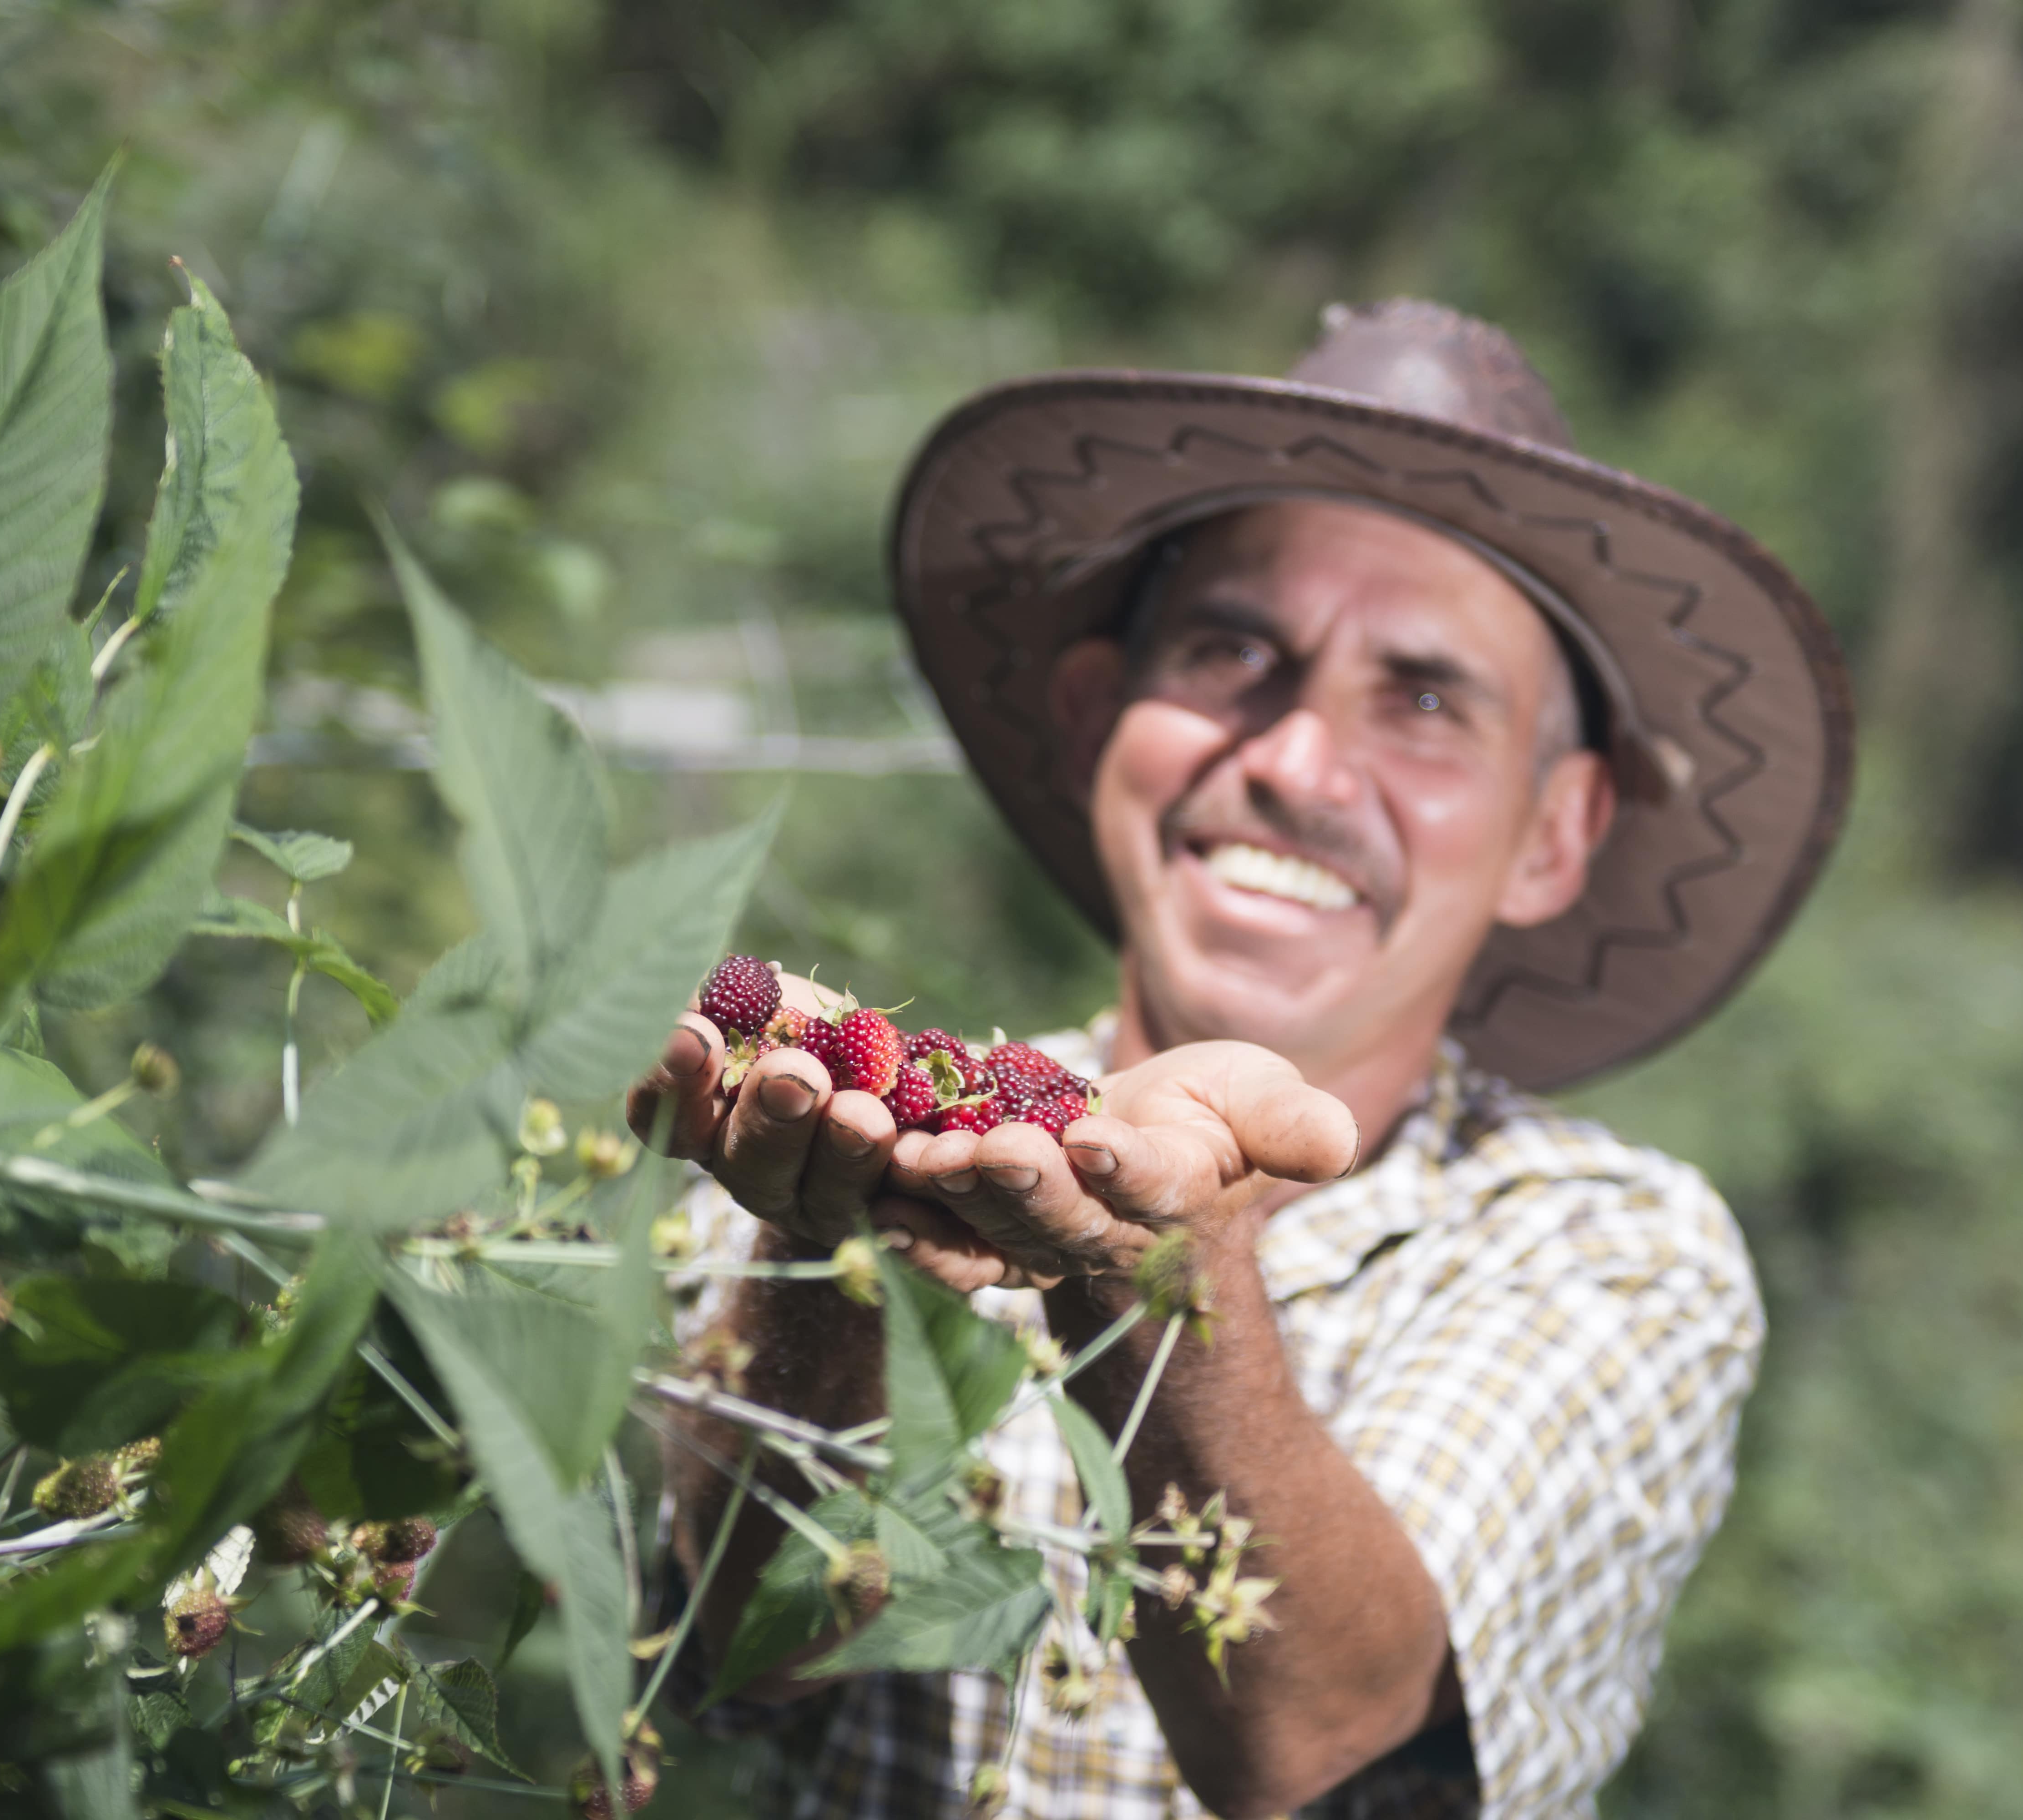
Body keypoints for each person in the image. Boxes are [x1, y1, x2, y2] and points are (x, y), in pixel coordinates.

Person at [629, 300, 1854, 1820]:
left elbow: (1323, 1756)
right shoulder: (833, 1139)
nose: (1293, 761)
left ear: (1556, 834)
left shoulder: (1612, 1248)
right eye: (1231, 650)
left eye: (1423, 699)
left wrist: (1156, 1262)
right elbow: (733, 1659)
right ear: (1097, 720)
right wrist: (827, 1278)